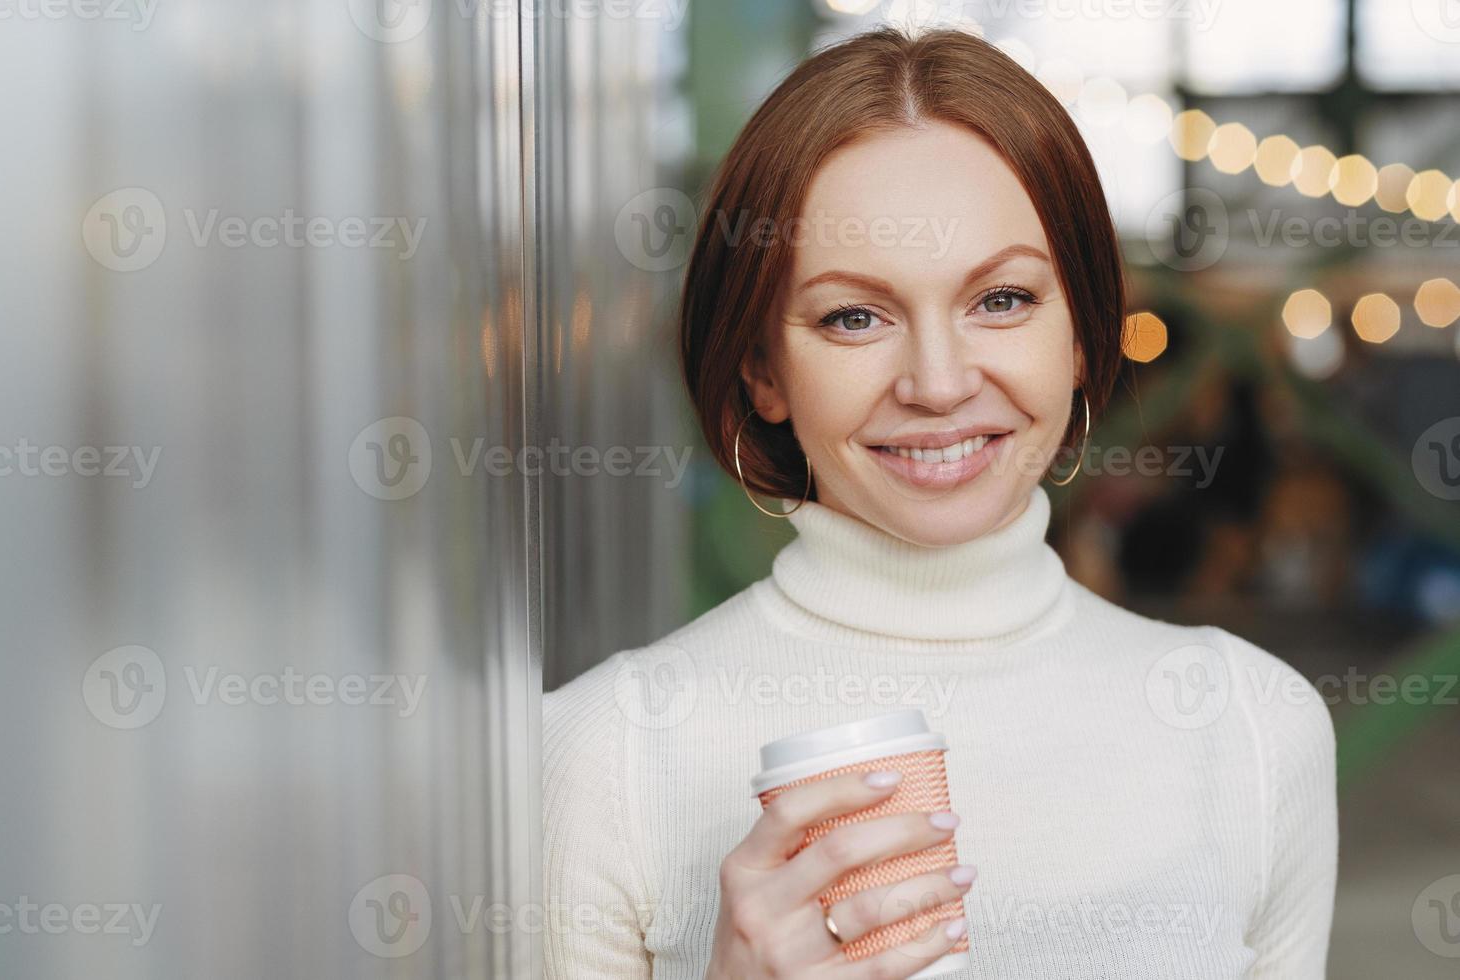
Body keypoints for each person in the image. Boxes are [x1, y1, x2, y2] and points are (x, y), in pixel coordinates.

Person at [543, 25, 1336, 980]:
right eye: (854, 316)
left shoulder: (1252, 727)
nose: (938, 381)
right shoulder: (605, 759)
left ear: (1083, 336)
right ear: (763, 371)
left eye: (1000, 299)